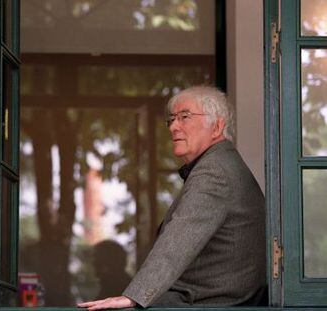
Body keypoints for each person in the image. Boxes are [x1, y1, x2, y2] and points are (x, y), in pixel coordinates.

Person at [77, 86, 266, 310]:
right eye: (172, 119)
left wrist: (134, 297)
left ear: (217, 126)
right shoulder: (222, 163)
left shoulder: (214, 172)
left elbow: (179, 239)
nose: (174, 126)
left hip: (207, 304)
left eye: (185, 117)